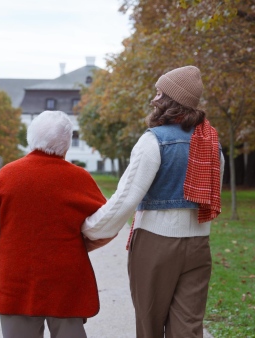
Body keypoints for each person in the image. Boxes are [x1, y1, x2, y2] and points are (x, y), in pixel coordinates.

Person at [82, 65, 225, 338]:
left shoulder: (154, 141)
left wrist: (90, 230)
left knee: (149, 326)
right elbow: (211, 193)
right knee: (188, 328)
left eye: (159, 93)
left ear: (172, 101)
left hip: (156, 244)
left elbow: (125, 198)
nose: (154, 99)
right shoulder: (213, 144)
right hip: (198, 244)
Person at [0, 110, 112, 338]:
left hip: (15, 277)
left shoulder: (7, 174)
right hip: (66, 277)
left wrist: (16, 241)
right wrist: (77, 246)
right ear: (66, 144)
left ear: (31, 138)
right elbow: (106, 226)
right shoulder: (80, 178)